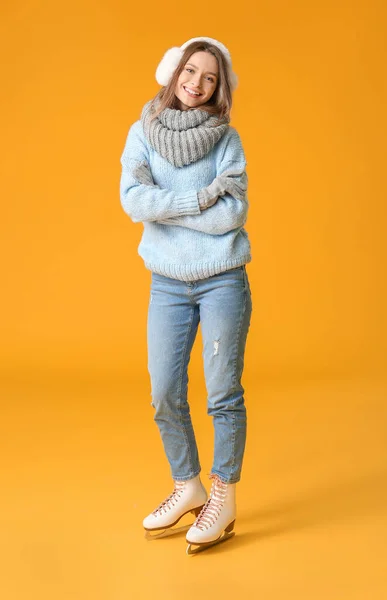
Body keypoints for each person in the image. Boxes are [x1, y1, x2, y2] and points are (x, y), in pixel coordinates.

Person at [119, 36, 252, 554]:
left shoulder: (228, 140)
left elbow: (233, 215)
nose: (197, 84)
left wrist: (168, 208)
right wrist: (200, 196)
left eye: (209, 77)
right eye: (190, 72)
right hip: (168, 283)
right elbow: (134, 201)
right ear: (173, 74)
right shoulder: (142, 134)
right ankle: (187, 485)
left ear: (219, 89)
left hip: (223, 279)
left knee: (223, 392)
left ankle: (224, 495)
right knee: (164, 392)